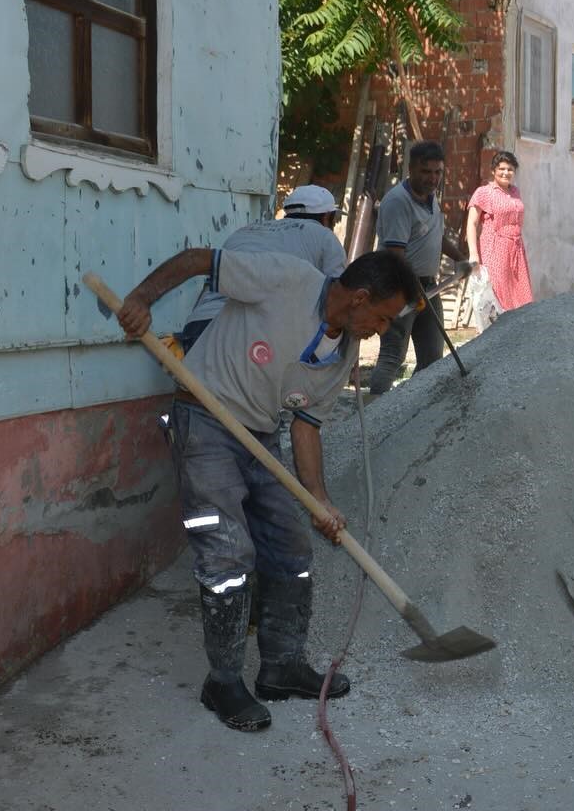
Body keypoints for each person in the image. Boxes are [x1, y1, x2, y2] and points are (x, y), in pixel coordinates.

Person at [116, 248, 421, 732]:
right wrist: (140, 298)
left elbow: (305, 425)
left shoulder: (340, 356)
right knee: (227, 555)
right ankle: (223, 681)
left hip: (258, 436)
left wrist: (318, 498)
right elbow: (199, 261)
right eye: (382, 319)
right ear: (360, 298)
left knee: (291, 548)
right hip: (204, 420)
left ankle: (280, 666)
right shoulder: (285, 277)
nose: (380, 331)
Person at [175, 185, 347, 353]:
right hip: (253, 336)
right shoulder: (326, 238)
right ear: (326, 217)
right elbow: (341, 302)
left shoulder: (244, 231)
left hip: (199, 326)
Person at [368, 141, 467, 394]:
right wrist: (413, 290)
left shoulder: (431, 198)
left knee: (433, 355)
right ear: (410, 169)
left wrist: (460, 258)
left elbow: (436, 235)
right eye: (426, 172)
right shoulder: (398, 202)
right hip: (398, 287)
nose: (432, 178)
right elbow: (395, 255)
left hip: (427, 286)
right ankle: (376, 411)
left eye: (437, 172)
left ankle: (413, 406)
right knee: (393, 355)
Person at [465, 150, 533, 315]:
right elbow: (472, 223)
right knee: (497, 296)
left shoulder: (515, 192)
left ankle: (518, 336)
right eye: (501, 169)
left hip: (516, 249)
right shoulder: (484, 192)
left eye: (510, 169)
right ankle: (496, 336)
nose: (505, 173)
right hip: (495, 249)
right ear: (493, 170)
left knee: (521, 296)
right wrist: (473, 254)